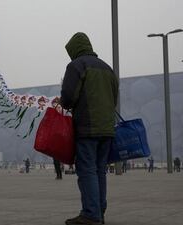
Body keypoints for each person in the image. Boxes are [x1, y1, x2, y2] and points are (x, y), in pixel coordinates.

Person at [60, 32, 119, 225]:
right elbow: (114, 98)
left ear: (75, 49)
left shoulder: (77, 66)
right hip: (107, 129)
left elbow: (68, 96)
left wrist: (65, 103)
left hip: (87, 127)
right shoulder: (108, 69)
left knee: (86, 170)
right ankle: (99, 211)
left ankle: (91, 214)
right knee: (99, 170)